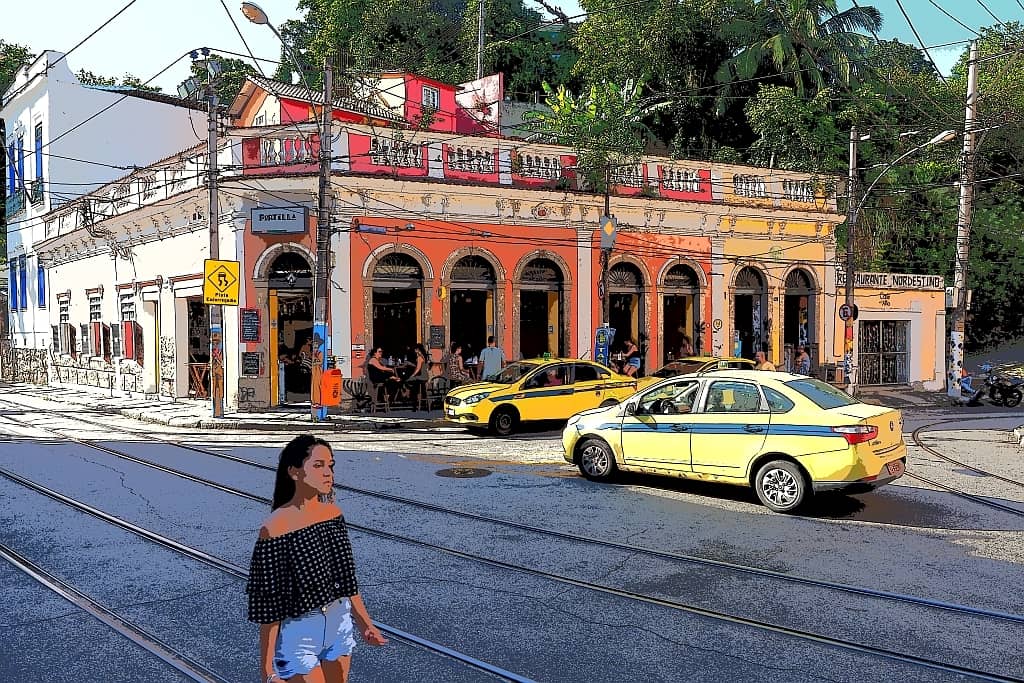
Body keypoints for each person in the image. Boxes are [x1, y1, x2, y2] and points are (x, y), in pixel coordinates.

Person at [248, 435, 387, 683]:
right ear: (294, 472)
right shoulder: (274, 528)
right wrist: (267, 671)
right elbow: (269, 603)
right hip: (300, 631)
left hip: (338, 623)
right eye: (318, 465)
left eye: (330, 466)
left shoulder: (333, 515)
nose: (328, 473)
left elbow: (346, 579)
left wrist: (365, 624)